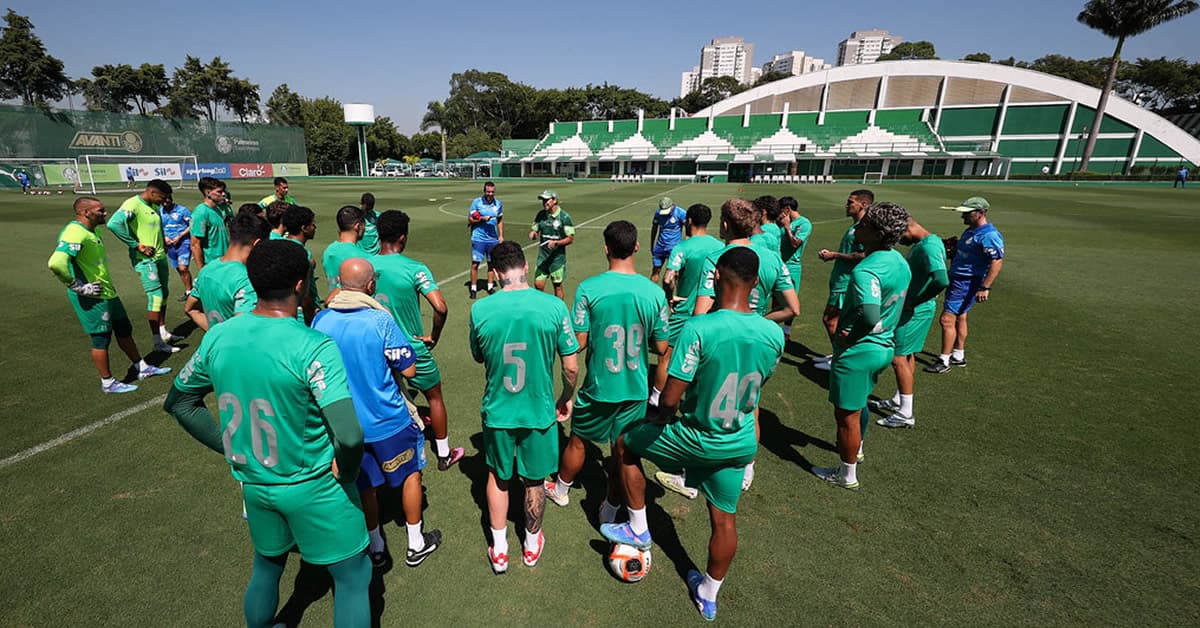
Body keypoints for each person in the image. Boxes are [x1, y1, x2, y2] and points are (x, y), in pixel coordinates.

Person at [164, 239, 372, 627]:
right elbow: (348, 435)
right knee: (353, 577)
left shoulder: (218, 336)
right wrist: (347, 469)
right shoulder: (313, 346)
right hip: (314, 486)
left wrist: (229, 447)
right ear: (299, 285)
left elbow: (179, 403)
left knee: (267, 566)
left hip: (255, 484)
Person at [601, 247, 784, 621]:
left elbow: (670, 397)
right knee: (724, 520)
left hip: (696, 435)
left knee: (624, 443)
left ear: (716, 277)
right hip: (739, 442)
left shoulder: (700, 328)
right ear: (755, 284)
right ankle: (708, 595)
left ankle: (638, 528)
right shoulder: (772, 333)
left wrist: (659, 417)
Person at [313, 258, 441, 571]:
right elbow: (408, 368)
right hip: (387, 418)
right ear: (371, 286)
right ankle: (415, 542)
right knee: (411, 473)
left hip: (345, 423)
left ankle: (376, 547)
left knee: (365, 483)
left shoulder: (320, 321)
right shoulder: (380, 321)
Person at [544, 221, 669, 520]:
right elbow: (662, 346)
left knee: (578, 439)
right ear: (637, 247)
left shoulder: (589, 288)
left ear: (606, 249)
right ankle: (611, 507)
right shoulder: (654, 294)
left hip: (599, 386)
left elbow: (580, 342)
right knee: (623, 451)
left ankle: (561, 490)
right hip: (636, 388)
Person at [468, 241, 579, 574]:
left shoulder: (480, 310)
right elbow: (571, 366)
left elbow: (478, 355)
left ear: (496, 273)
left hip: (499, 409)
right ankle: (531, 546)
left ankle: (499, 549)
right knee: (534, 480)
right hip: (539, 409)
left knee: (498, 478)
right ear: (526, 267)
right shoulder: (554, 307)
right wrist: (566, 395)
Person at [692, 198, 797, 490]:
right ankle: (747, 466)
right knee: (751, 403)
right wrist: (762, 319)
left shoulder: (717, 258)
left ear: (725, 224)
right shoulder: (771, 259)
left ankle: (699, 467)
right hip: (755, 340)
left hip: (719, 339)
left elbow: (701, 312)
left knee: (706, 401)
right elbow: (792, 308)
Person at [811, 202, 912, 490]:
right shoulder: (899, 261)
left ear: (877, 232)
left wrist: (848, 335)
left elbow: (869, 313)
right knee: (861, 402)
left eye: (864, 224)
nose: (858, 227)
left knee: (846, 416)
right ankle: (859, 448)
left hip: (861, 351)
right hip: (884, 347)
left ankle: (846, 474)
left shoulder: (865, 271)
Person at [47, 196, 171, 393]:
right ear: (86, 212)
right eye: (100, 211)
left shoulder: (92, 229)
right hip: (92, 297)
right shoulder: (74, 232)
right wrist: (77, 286)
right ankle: (108, 382)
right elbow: (56, 262)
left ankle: (141, 367)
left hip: (108, 293)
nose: (105, 214)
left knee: (124, 329)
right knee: (101, 338)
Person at [373, 210, 464, 470]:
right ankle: (444, 454)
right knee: (434, 396)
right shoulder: (414, 268)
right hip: (410, 347)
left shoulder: (364, 265)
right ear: (402, 237)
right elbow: (441, 307)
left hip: (377, 347)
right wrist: (433, 336)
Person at [874, 217, 948, 428]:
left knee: (898, 357)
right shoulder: (928, 242)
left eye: (899, 236)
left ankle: (906, 412)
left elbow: (942, 280)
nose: (899, 241)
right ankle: (900, 398)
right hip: (916, 309)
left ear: (907, 227)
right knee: (907, 355)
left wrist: (915, 301)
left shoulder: (930, 247)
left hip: (915, 311)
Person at [926, 196, 1004, 374]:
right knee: (961, 316)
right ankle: (958, 355)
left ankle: (943, 360)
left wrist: (985, 287)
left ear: (981, 213)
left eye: (968, 214)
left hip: (967, 281)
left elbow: (997, 261)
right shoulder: (971, 231)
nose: (963, 217)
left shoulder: (989, 235)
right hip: (959, 279)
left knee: (946, 319)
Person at [106, 179, 181, 355]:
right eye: (162, 197)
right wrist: (137, 245)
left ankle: (163, 331)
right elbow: (113, 224)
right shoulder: (133, 204)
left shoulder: (154, 206)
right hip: (145, 260)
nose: (164, 201)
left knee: (164, 295)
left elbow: (157, 228)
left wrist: (164, 243)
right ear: (152, 192)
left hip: (160, 257)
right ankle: (157, 342)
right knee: (155, 297)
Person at [813, 189, 872, 370]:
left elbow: (865, 254)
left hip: (846, 282)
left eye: (850, 202)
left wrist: (835, 255)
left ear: (863, 204)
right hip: (840, 280)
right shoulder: (855, 226)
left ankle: (841, 358)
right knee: (836, 322)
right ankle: (837, 354)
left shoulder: (865, 228)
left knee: (831, 320)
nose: (846, 205)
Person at [185, 212, 271, 331]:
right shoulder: (247, 280)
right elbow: (244, 330)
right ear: (257, 243)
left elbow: (191, 309)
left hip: (217, 347)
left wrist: (216, 334)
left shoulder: (207, 270)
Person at [528, 190, 575, 301]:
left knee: (557, 286)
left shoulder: (564, 217)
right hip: (543, 257)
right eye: (543, 200)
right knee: (538, 285)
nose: (544, 202)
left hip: (557, 259)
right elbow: (535, 229)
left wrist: (556, 243)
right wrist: (533, 233)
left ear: (555, 200)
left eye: (546, 200)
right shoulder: (540, 215)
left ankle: (559, 309)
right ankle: (544, 308)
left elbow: (570, 238)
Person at [777, 196, 813, 338]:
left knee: (789, 300)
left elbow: (795, 244)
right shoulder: (782, 222)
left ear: (787, 209)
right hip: (779, 264)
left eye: (781, 211)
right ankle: (775, 328)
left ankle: (786, 330)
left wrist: (786, 226)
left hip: (792, 266)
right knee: (775, 297)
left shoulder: (804, 223)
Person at [281, 205, 320, 324]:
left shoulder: (281, 245)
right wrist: (313, 313)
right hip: (302, 315)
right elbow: (304, 293)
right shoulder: (303, 253)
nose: (314, 227)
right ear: (304, 228)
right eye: (312, 224)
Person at [467, 181, 504, 298]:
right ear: (484, 191)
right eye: (488, 192)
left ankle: (490, 286)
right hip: (478, 238)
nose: (490, 194)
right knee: (475, 264)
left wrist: (501, 235)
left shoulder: (498, 204)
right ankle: (473, 288)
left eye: (492, 192)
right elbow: (470, 220)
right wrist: (482, 219)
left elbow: (500, 220)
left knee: (491, 264)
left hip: (492, 239)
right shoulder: (476, 203)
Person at [189, 177, 232, 271]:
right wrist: (202, 269)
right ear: (208, 193)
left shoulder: (218, 210)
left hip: (224, 260)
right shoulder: (201, 212)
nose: (223, 194)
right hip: (212, 264)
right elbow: (195, 244)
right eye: (219, 192)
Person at [322, 206, 368, 289]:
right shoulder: (363, 257)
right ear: (357, 226)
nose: (365, 229)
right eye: (364, 225)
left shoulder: (328, 251)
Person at [161, 195, 194, 300]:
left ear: (171, 198)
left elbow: (192, 225)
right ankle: (188, 290)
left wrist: (180, 236)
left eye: (167, 199)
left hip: (184, 243)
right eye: (163, 200)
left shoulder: (182, 210)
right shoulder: (159, 212)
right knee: (179, 269)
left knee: (183, 268)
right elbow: (158, 226)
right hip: (170, 245)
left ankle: (191, 293)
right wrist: (165, 237)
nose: (165, 202)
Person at [649, 197, 687, 284]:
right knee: (655, 271)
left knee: (673, 274)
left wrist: (685, 243)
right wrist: (652, 244)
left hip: (674, 248)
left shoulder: (680, 213)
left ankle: (671, 295)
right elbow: (654, 228)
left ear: (672, 206)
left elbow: (688, 228)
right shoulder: (658, 213)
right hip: (660, 246)